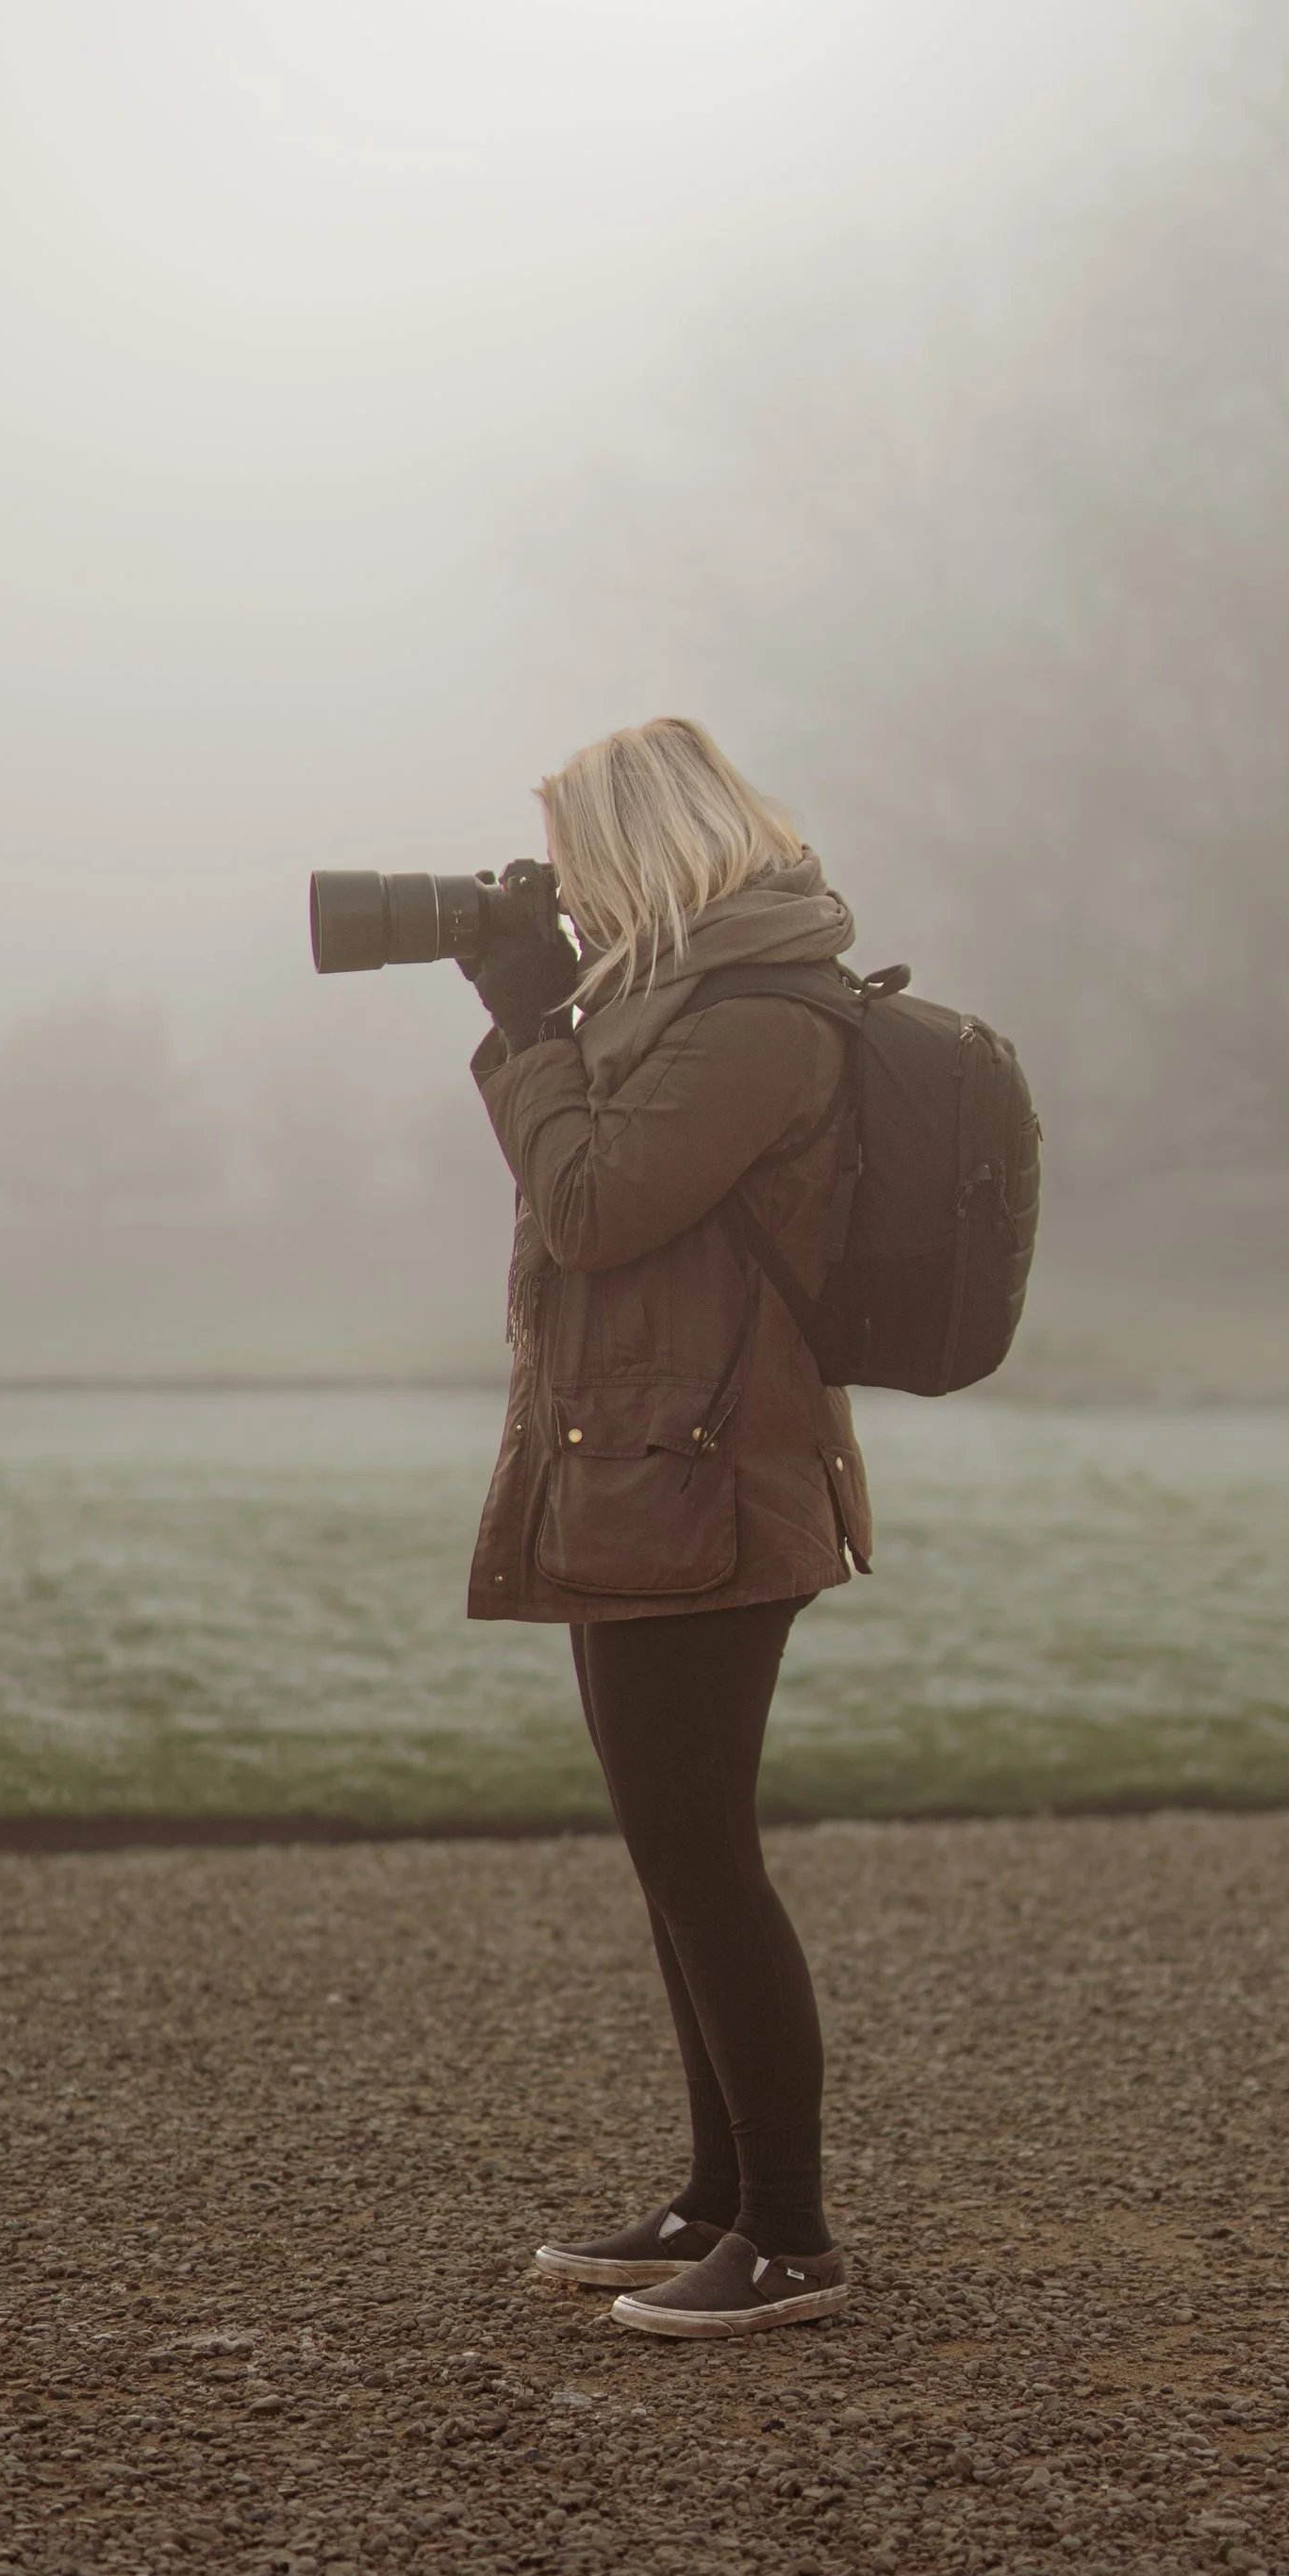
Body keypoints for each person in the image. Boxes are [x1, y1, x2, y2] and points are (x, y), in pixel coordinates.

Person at [459, 716, 872, 2339]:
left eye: (574, 868)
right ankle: (718, 2199)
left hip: (709, 1476)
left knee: (705, 1859)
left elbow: (590, 1206)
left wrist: (524, 1025)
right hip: (652, 1463)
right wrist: (554, 1019)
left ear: (637, 854)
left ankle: (789, 2237)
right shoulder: (690, 1007)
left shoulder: (760, 1020)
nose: (561, 900)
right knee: (672, 1857)